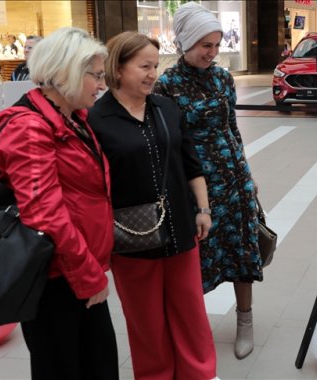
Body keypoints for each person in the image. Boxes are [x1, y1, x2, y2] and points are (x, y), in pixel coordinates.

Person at [0, 27, 118, 379]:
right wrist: (88, 277)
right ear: (65, 72)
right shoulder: (30, 129)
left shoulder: (71, 120)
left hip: (77, 269)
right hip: (55, 278)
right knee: (64, 366)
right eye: (96, 75)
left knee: (97, 363)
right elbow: (44, 213)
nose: (102, 84)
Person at [88, 31, 218, 380]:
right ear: (117, 68)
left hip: (180, 230)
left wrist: (203, 210)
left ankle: (199, 374)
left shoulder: (166, 108)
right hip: (132, 238)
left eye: (155, 66)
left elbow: (191, 164)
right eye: (144, 66)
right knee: (146, 322)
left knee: (190, 314)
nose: (152, 74)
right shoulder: (96, 120)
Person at [155, 2, 263, 360]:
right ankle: (193, 330)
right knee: (198, 259)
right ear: (185, 42)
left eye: (217, 45)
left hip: (234, 179)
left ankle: (245, 321)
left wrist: (247, 172)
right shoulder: (166, 85)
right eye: (205, 45)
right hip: (197, 185)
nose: (213, 53)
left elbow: (232, 128)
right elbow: (168, 143)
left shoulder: (222, 78)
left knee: (243, 250)